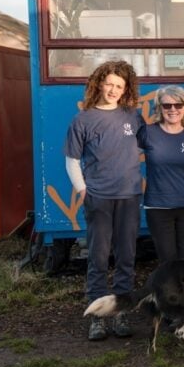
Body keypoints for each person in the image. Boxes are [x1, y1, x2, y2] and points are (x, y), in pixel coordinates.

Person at [64, 60, 144, 341]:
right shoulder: (83, 120)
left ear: (125, 90)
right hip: (98, 197)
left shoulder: (132, 116)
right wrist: (83, 189)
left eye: (119, 86)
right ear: (99, 83)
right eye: (109, 83)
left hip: (129, 196)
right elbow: (72, 160)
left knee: (126, 256)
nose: (113, 90)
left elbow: (153, 142)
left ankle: (120, 311)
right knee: (98, 257)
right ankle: (97, 315)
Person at [137, 85, 184, 263]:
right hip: (158, 206)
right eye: (167, 106)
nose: (173, 109)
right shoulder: (148, 132)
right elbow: (127, 160)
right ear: (159, 108)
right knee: (168, 261)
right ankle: (168, 292)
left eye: (178, 105)